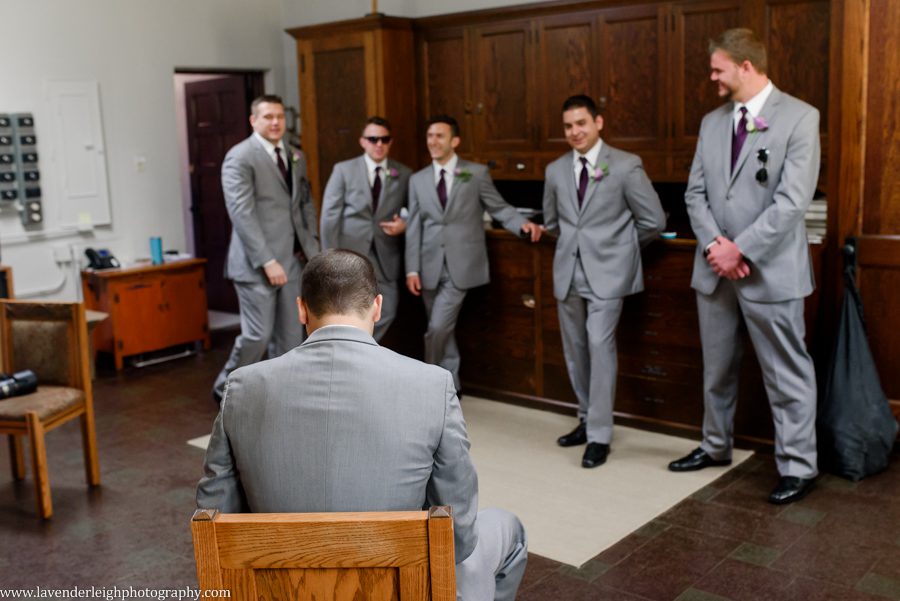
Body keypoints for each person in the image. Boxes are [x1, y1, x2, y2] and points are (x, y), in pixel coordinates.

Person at [197, 249, 528, 601]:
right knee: (509, 528)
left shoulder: (243, 386)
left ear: (301, 309)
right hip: (398, 588)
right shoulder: (432, 384)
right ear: (377, 307)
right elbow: (458, 535)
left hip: (279, 588)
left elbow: (214, 518)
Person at [668, 28, 820, 505]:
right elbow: (694, 193)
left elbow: (793, 201)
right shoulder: (712, 123)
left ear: (746, 66)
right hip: (714, 271)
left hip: (771, 272)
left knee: (785, 373)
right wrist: (717, 246)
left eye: (718, 69)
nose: (712, 78)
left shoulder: (799, 118)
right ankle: (715, 446)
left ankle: (799, 466)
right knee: (716, 370)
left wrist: (742, 249)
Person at [543, 95, 666, 468]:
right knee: (575, 349)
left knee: (599, 345)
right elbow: (552, 222)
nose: (575, 132)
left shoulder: (626, 166)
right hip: (568, 271)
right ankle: (585, 417)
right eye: (568, 126)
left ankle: (599, 435)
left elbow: (654, 221)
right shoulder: (555, 170)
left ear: (598, 123)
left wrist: (621, 249)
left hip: (609, 274)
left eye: (581, 123)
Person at [405, 115, 543, 391]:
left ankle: (427, 386)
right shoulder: (417, 179)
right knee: (443, 328)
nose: (433, 141)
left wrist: (522, 224)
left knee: (437, 329)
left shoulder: (476, 173)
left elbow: (499, 207)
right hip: (428, 265)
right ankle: (451, 387)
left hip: (462, 265)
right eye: (430, 135)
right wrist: (412, 268)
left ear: (454, 141)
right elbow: (414, 226)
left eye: (439, 136)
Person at [211, 94, 319, 403]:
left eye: (280, 117)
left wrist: (311, 247)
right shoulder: (240, 157)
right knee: (257, 336)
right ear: (253, 120)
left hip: (293, 261)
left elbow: (304, 203)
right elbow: (242, 213)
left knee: (290, 337)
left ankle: (279, 396)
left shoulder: (295, 155)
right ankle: (225, 389)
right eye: (268, 116)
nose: (275, 122)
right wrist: (267, 260)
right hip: (256, 264)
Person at [320, 116, 412, 341]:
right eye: (373, 139)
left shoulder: (404, 173)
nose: (378, 144)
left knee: (387, 310)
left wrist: (406, 224)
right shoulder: (343, 169)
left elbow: (415, 212)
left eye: (384, 139)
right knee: (347, 312)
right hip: (350, 252)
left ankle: (359, 348)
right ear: (363, 142)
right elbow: (329, 215)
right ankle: (353, 354)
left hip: (386, 252)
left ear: (390, 142)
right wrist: (328, 256)